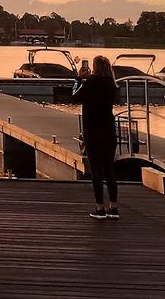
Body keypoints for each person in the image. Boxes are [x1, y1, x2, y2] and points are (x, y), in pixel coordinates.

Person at [73, 55, 119, 219]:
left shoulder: (91, 83)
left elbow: (75, 96)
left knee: (96, 169)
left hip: (92, 130)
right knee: (109, 169)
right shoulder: (112, 84)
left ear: (94, 67)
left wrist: (79, 78)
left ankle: (99, 208)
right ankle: (113, 207)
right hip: (108, 131)